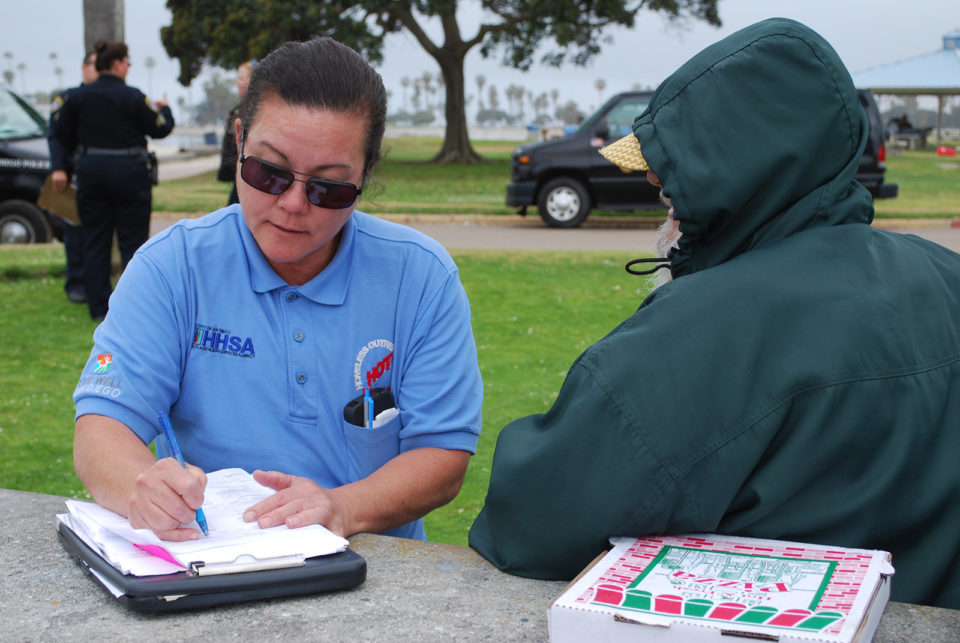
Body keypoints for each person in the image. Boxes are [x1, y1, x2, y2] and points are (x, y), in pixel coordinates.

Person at [469, 18, 960, 610]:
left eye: (669, 187)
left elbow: (533, 517)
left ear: (731, 175)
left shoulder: (703, 329)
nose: (663, 207)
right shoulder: (946, 275)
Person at [72, 37, 482, 544]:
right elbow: (103, 425)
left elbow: (442, 453)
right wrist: (142, 487)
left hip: (373, 570)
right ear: (239, 140)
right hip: (216, 563)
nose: (292, 204)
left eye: (328, 188)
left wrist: (342, 508)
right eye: (269, 172)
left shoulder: (420, 278)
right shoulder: (171, 268)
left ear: (366, 175)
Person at [52, 40, 174, 322]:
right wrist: (166, 109)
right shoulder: (133, 97)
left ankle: (98, 307)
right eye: (127, 63)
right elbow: (160, 128)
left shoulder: (78, 97)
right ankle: (132, 306)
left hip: (91, 173)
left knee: (95, 240)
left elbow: (60, 131)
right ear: (117, 64)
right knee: (133, 242)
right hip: (130, 175)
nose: (128, 68)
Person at [47, 50, 98, 304]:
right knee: (74, 231)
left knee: (98, 234)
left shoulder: (109, 99)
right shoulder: (68, 98)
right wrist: (58, 168)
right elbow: (56, 136)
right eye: (94, 65)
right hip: (73, 174)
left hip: (99, 176)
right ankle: (76, 283)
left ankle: (96, 284)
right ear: (84, 67)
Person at [217, 60, 254, 206]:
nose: (237, 82)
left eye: (241, 78)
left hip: (245, 174)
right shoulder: (240, 108)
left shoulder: (252, 110)